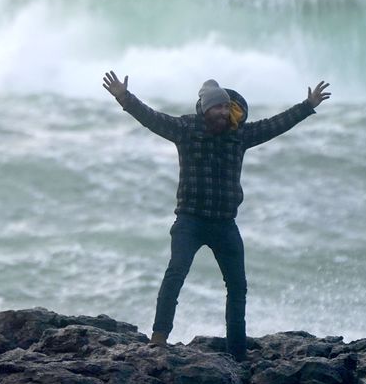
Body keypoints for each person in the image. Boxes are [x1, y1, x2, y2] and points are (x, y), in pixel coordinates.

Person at [102, 70, 331, 361]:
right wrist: (124, 97)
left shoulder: (240, 135)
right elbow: (152, 118)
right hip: (190, 221)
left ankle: (237, 353)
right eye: (217, 107)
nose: (223, 112)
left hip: (225, 224)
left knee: (237, 287)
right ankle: (158, 338)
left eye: (226, 107)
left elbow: (275, 125)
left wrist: (307, 105)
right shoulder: (186, 130)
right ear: (205, 109)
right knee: (175, 273)